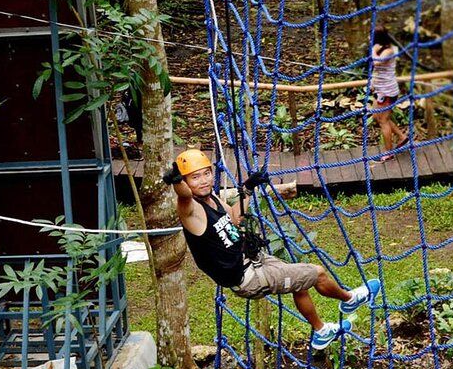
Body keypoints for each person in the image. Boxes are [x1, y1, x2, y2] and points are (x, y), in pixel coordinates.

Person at [162, 149, 381, 350]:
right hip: (248, 278)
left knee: (299, 282)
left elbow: (234, 218)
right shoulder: (191, 210)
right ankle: (350, 299)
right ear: (186, 181)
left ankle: (321, 331)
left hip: (254, 260)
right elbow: (184, 196)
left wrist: (247, 189)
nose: (203, 181)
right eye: (195, 177)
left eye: (206, 173)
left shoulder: (212, 198)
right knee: (317, 273)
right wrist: (177, 182)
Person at [371, 25, 408, 161]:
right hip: (380, 89)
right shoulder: (380, 49)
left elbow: (376, 63)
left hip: (387, 91)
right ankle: (402, 136)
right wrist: (373, 84)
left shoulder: (389, 50)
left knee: (383, 121)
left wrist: (373, 50)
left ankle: (389, 152)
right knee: (376, 117)